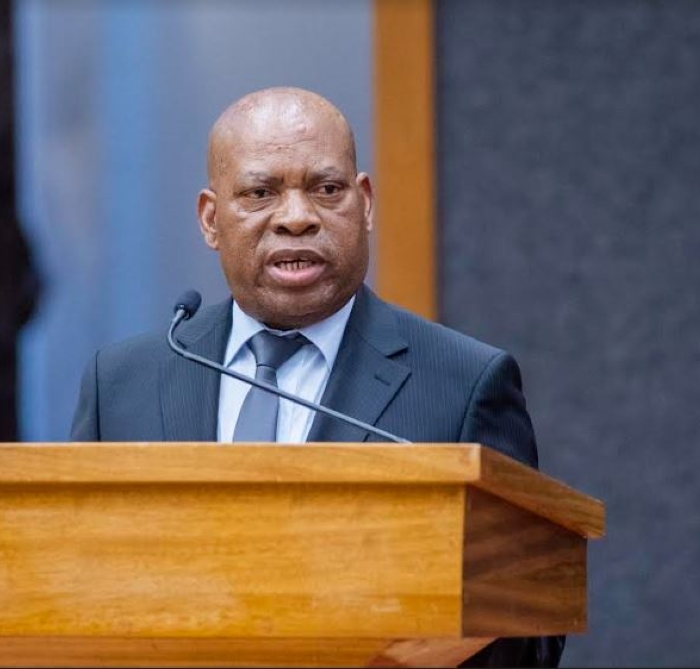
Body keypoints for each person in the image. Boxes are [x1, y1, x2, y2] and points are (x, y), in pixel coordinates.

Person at [70, 86, 563, 668]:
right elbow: (72, 584)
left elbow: (528, 625)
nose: (298, 218)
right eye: (260, 193)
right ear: (210, 218)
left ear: (366, 203)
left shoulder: (464, 384)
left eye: (326, 190)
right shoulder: (123, 381)